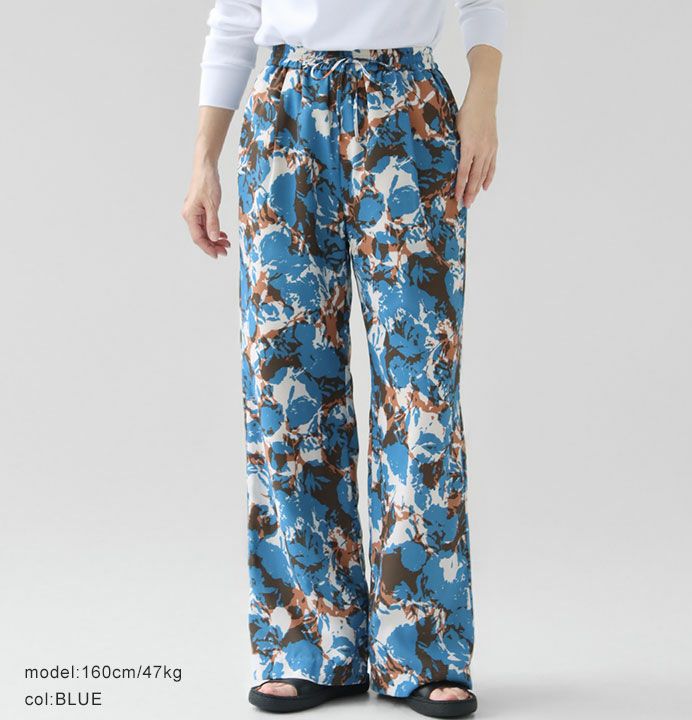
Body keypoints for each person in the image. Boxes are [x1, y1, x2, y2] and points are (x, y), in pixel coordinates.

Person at [182, 1, 506, 716]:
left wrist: (482, 96)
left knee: (420, 388)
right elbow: (234, 18)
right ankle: (309, 643)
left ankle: (421, 648)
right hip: (284, 117)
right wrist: (204, 158)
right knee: (284, 385)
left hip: (407, 111)